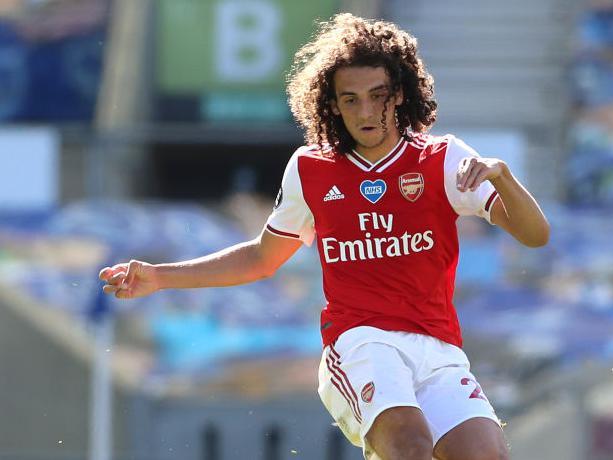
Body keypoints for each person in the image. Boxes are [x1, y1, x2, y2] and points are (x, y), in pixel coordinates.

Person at [99, 13, 549, 460]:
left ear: (400, 94)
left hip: (438, 349)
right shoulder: (310, 169)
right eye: (350, 99)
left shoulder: (444, 159)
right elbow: (261, 258)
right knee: (411, 446)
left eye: (378, 96)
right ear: (331, 104)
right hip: (360, 343)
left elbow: (535, 235)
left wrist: (503, 177)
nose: (366, 111)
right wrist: (159, 276)